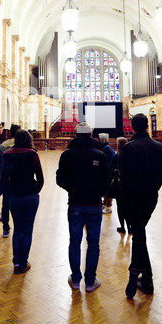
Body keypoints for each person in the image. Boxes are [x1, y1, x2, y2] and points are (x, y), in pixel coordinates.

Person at [56, 122, 110, 292]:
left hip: (75, 205)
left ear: (75, 134)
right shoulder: (100, 155)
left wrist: (72, 189)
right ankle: (90, 281)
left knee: (74, 241)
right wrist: (98, 193)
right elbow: (106, 181)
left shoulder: (67, 155)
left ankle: (76, 279)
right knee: (93, 244)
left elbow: (60, 180)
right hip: (94, 205)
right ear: (91, 134)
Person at [119, 113, 162, 298]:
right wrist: (152, 188)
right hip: (150, 198)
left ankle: (140, 272)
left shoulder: (130, 148)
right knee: (139, 232)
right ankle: (143, 275)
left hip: (133, 199)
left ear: (132, 126)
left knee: (139, 233)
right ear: (147, 126)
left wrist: (126, 199)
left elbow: (125, 177)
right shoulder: (159, 147)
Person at [1, 130, 44, 274]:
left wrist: (10, 192)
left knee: (17, 229)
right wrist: (34, 190)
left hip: (15, 196)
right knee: (27, 230)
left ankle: (16, 263)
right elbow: (40, 178)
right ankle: (24, 262)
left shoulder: (7, 155)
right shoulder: (32, 154)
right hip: (30, 196)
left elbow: (4, 177)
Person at [0, 124, 21, 238]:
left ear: (10, 133)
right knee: (19, 204)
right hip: (19, 181)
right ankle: (18, 227)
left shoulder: (2, 146)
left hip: (6, 180)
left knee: (5, 204)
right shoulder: (23, 147)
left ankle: (5, 227)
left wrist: (3, 178)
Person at [109, 137, 132, 234]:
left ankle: (122, 227)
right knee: (129, 206)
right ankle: (130, 227)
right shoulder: (131, 155)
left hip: (119, 185)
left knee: (120, 207)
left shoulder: (117, 156)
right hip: (130, 184)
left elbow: (110, 169)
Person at [98, 133, 116, 213]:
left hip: (108, 173)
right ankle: (105, 204)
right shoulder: (104, 148)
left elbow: (107, 163)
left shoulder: (106, 149)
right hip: (106, 173)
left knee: (108, 191)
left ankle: (108, 206)